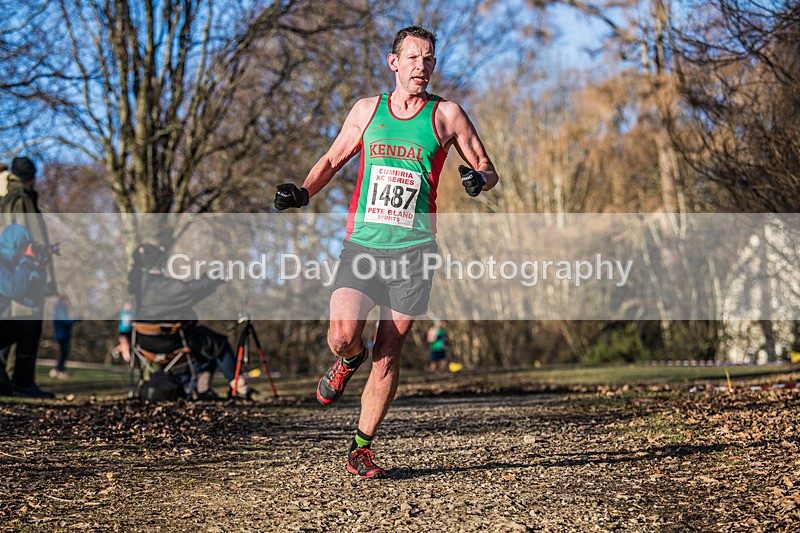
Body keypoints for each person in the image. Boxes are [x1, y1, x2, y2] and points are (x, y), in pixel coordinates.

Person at [274, 26, 499, 478]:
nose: (422, 66)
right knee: (342, 333)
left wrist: (479, 181)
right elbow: (335, 157)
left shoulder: (448, 115)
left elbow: (486, 167)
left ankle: (362, 445)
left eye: (429, 59)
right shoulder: (368, 110)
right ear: (393, 62)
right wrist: (303, 192)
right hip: (363, 245)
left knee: (389, 351)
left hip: (415, 251)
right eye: (413, 58)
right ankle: (346, 359)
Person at [128, 243, 254, 400]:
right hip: (170, 341)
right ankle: (240, 388)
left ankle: (203, 388)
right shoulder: (156, 285)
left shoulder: (139, 285)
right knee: (218, 343)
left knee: (206, 346)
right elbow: (190, 290)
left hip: (145, 344)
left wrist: (206, 281)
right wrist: (214, 277)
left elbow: (188, 293)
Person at [0, 156, 57, 398]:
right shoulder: (21, 200)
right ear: (31, 178)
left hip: (14, 272)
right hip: (21, 273)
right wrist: (32, 262)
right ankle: (21, 381)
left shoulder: (9, 198)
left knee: (20, 319)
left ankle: (14, 380)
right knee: (28, 321)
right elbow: (24, 240)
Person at [0, 224, 50, 396]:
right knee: (3, 390)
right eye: (26, 247)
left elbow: (31, 300)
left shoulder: (11, 267)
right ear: (15, 246)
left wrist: (40, 271)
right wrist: (27, 262)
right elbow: (15, 288)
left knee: (30, 323)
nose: (28, 251)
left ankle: (23, 383)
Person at [50, 294, 77, 379]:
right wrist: (77, 319)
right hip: (62, 334)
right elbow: (66, 322)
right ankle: (59, 370)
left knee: (63, 353)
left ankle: (59, 370)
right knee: (63, 352)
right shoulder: (61, 309)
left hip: (62, 334)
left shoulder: (60, 309)